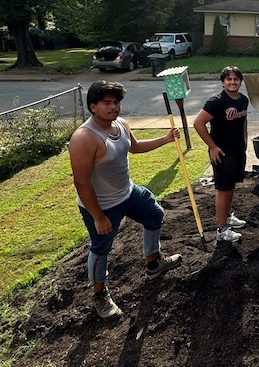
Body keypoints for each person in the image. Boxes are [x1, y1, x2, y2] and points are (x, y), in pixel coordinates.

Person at [68, 81, 183, 319]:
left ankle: (154, 263)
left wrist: (165, 139)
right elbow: (81, 183)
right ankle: (100, 295)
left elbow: (135, 147)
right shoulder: (84, 138)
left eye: (116, 102)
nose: (114, 107)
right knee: (101, 248)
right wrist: (98, 217)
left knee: (154, 215)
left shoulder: (121, 124)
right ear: (93, 106)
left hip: (128, 193)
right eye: (107, 103)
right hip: (101, 205)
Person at [193, 66, 250, 243]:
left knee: (231, 186)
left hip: (237, 150)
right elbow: (198, 123)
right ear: (223, 82)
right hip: (222, 152)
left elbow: (243, 121)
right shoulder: (216, 101)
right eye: (229, 79)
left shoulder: (243, 100)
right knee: (223, 189)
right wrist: (213, 147)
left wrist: (245, 141)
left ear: (240, 81)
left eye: (236, 79)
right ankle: (221, 229)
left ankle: (227, 216)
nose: (232, 82)